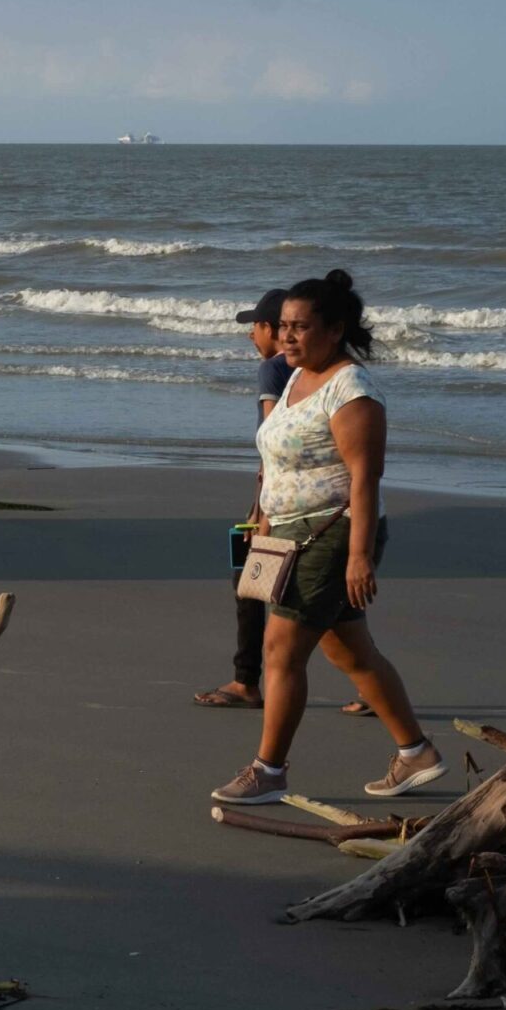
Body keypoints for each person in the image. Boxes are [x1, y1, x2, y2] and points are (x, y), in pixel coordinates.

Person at [211, 270, 444, 803]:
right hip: (289, 533)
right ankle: (416, 753)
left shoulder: (351, 389)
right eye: (285, 326)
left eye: (301, 327)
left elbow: (366, 478)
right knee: (350, 654)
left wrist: (359, 556)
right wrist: (265, 522)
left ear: (334, 329)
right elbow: (275, 461)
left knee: (280, 650)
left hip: (331, 534)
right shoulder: (294, 377)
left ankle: (268, 771)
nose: (288, 336)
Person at [193, 288, 295, 708]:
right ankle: (368, 688)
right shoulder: (316, 370)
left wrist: (261, 509)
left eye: (254, 326)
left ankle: (245, 681)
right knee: (313, 597)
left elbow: (273, 439)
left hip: (276, 494)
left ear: (271, 328)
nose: (251, 335)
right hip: (300, 492)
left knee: (247, 584)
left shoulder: (272, 369)